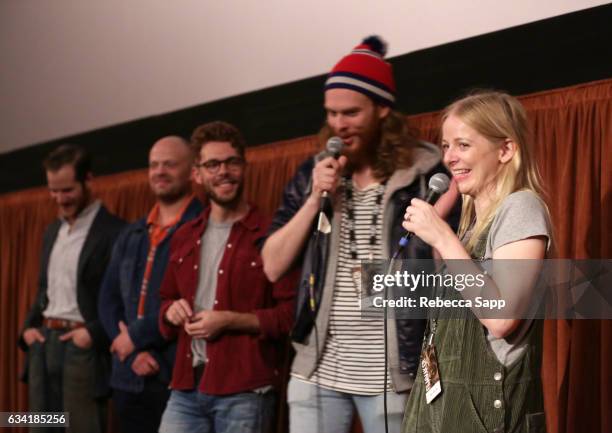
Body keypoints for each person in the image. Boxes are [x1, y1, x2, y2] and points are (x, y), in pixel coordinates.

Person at [261, 36, 460, 433]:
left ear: (383, 108)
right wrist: (315, 198)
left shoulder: (425, 172)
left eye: (350, 112)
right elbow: (272, 265)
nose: (338, 124)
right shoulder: (313, 173)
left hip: (394, 371)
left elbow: (448, 272)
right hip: (318, 368)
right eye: (331, 114)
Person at [401, 91, 552, 433]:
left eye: (463, 145)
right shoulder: (469, 228)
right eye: (445, 146)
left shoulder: (521, 208)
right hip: (440, 410)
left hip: (484, 417)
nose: (450, 158)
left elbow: (500, 316)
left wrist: (442, 236)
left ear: (505, 150)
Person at [157, 121, 296, 433]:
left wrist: (229, 320)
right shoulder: (183, 236)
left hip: (245, 391)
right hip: (185, 389)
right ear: (197, 174)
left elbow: (289, 316)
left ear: (244, 167)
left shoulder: (271, 234)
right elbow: (164, 301)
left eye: (232, 162)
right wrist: (170, 311)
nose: (224, 172)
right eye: (213, 164)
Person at [98, 136, 202, 433]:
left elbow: (190, 301)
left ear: (192, 171)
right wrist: (132, 351)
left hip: (175, 377)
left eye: (169, 164)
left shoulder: (202, 227)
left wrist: (137, 337)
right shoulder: (132, 233)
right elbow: (107, 299)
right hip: (127, 376)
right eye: (154, 165)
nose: (160, 171)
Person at [18, 144, 125, 433]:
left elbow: (121, 298)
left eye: (67, 190)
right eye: (53, 191)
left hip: (81, 346)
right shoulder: (52, 230)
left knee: (82, 428)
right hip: (43, 344)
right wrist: (29, 329)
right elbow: (44, 287)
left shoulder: (115, 231)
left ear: (88, 180)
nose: (59, 198)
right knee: (39, 427)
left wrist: (92, 334)